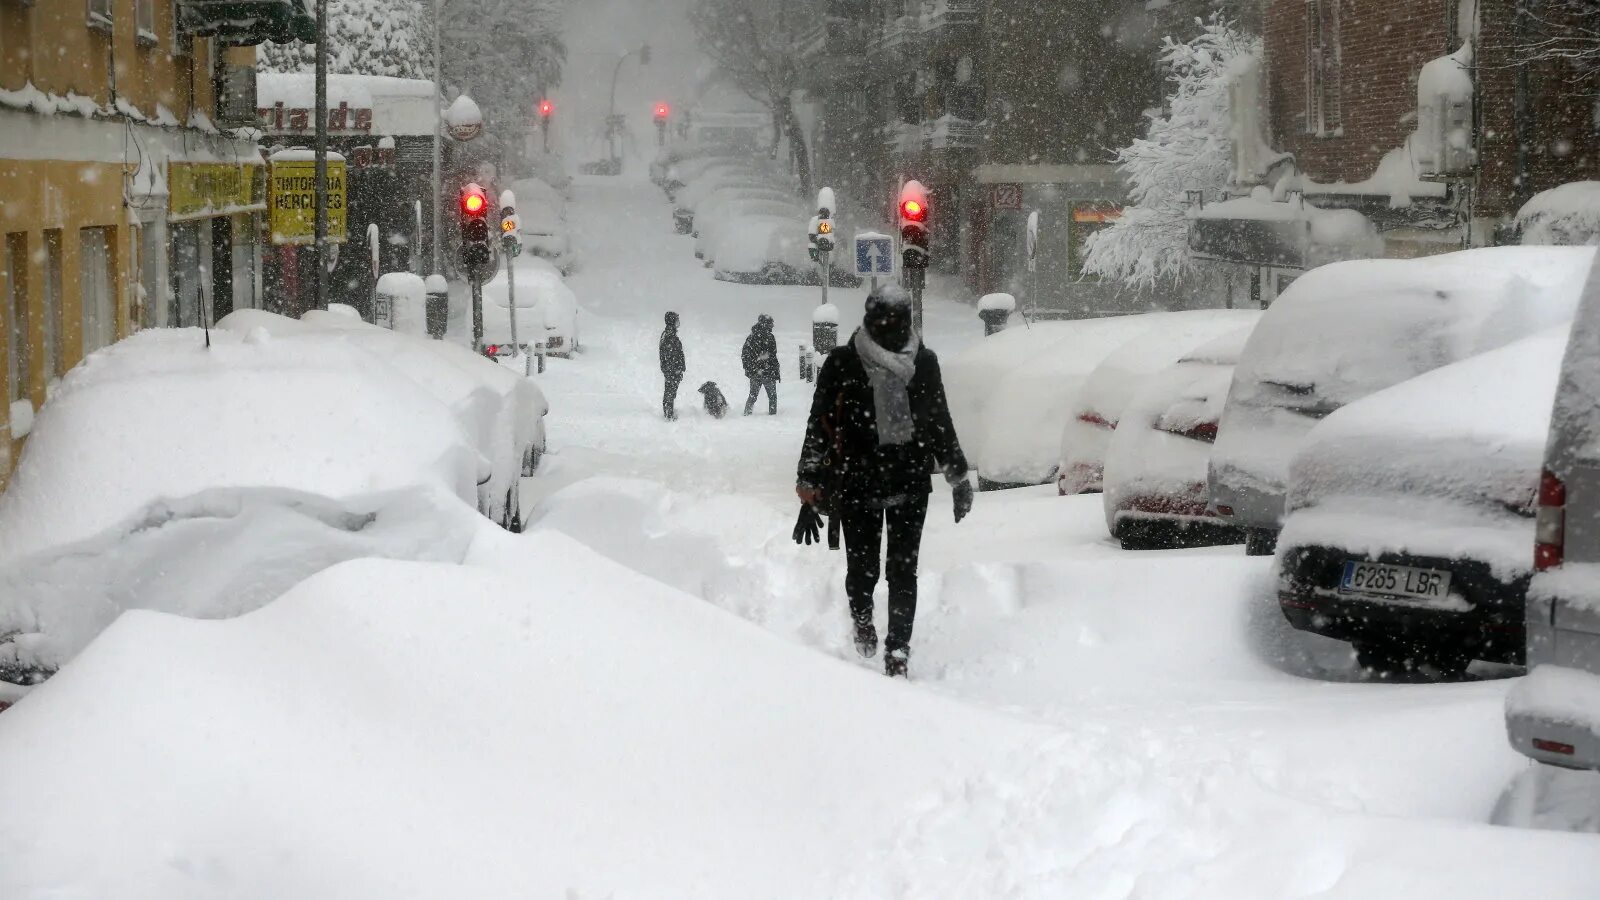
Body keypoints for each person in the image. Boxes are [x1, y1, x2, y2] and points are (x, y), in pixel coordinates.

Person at [795, 286, 973, 678]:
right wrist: (809, 479)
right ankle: (862, 619)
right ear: (870, 320)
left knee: (902, 572)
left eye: (898, 319)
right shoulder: (842, 362)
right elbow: (819, 425)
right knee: (863, 570)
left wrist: (957, 476)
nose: (891, 326)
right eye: (883, 319)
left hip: (910, 483)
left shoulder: (924, 363)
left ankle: (898, 650)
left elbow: (938, 419)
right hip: (857, 483)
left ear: (908, 320)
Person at [741, 314, 780, 415]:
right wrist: (775, 370)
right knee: (772, 397)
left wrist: (749, 369)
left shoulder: (751, 337)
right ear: (766, 324)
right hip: (768, 371)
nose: (773, 326)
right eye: (771, 323)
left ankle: (746, 414)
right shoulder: (770, 337)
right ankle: (773, 416)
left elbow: (745, 355)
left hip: (755, 372)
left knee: (752, 396)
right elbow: (773, 356)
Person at [659, 311, 685, 420]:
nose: (678, 322)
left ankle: (669, 412)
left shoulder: (668, 333)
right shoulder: (670, 336)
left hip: (670, 369)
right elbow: (672, 355)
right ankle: (668, 415)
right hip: (672, 370)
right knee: (670, 392)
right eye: (676, 320)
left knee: (670, 392)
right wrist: (677, 369)